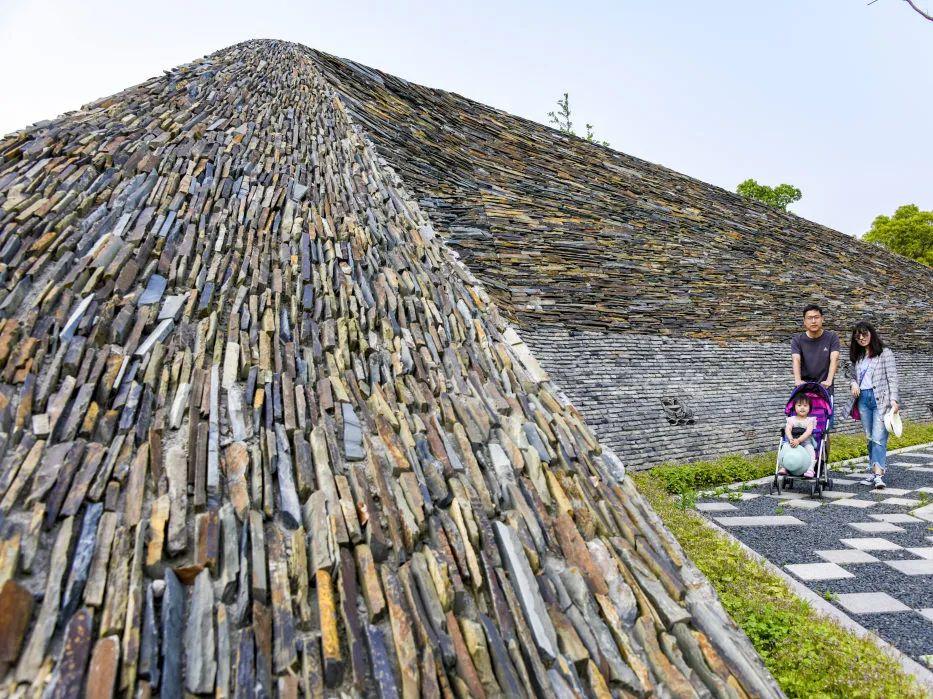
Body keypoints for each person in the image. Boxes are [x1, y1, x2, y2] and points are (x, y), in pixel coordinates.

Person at [849, 321, 899, 489]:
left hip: (881, 400)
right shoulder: (859, 356)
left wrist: (894, 400)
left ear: (871, 333)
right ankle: (873, 471)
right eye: (858, 336)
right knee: (870, 437)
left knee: (879, 438)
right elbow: (851, 374)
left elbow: (892, 378)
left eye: (864, 334)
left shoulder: (885, 353)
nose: (862, 338)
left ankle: (878, 475)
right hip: (863, 399)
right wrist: (853, 383)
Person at [791, 304, 840, 458]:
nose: (813, 321)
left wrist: (829, 380)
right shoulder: (798, 339)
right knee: (799, 424)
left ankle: (823, 461)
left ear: (822, 319)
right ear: (804, 321)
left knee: (824, 428)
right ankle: (801, 457)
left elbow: (834, 358)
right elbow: (796, 359)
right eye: (810, 318)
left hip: (824, 390)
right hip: (804, 392)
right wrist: (798, 380)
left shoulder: (831, 337)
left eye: (816, 317)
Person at [779, 394, 817, 478]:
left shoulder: (810, 421)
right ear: (794, 407)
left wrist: (799, 440)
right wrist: (791, 439)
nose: (802, 408)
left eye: (805, 405)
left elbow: (808, 432)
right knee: (785, 448)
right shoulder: (791, 419)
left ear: (809, 408)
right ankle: (784, 467)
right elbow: (788, 429)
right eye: (799, 405)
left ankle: (810, 469)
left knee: (811, 450)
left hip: (805, 442)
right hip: (792, 441)